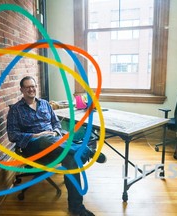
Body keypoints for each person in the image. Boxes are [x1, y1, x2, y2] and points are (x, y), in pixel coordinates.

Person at [7, 76, 106, 216]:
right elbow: (12, 135)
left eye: (33, 86)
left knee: (71, 161)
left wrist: (55, 132)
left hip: (55, 144)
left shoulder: (45, 104)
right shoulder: (15, 110)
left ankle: (76, 208)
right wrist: (35, 136)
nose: (31, 89)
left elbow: (56, 123)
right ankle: (86, 150)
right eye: (27, 87)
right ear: (21, 90)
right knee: (44, 139)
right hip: (33, 147)